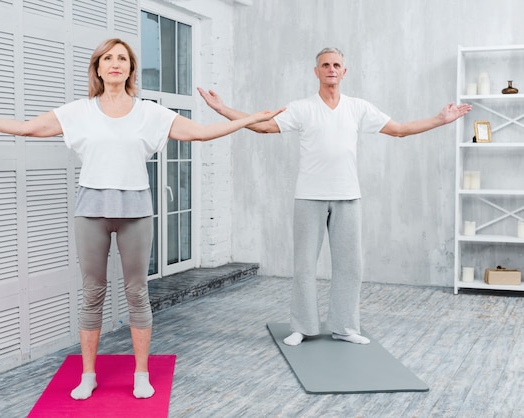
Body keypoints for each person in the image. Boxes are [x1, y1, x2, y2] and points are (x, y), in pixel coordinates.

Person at [0, 38, 283, 400]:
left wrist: (249, 120)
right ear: (98, 68)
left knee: (137, 293)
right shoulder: (78, 112)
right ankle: (88, 375)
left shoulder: (151, 113)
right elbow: (26, 128)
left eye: (122, 58)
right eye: (107, 58)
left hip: (136, 212)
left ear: (131, 69)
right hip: (90, 212)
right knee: (92, 294)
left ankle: (141, 374)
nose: (115, 63)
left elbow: (201, 133)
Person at [198, 47, 471, 347]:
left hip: (347, 196)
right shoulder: (302, 107)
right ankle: (302, 327)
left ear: (344, 72)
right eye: (325, 64)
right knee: (304, 264)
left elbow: (400, 130)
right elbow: (263, 126)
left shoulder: (358, 108)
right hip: (309, 196)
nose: (331, 68)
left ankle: (345, 327)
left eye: (336, 64)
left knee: (350, 265)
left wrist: (440, 119)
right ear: (316, 71)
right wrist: (224, 110)